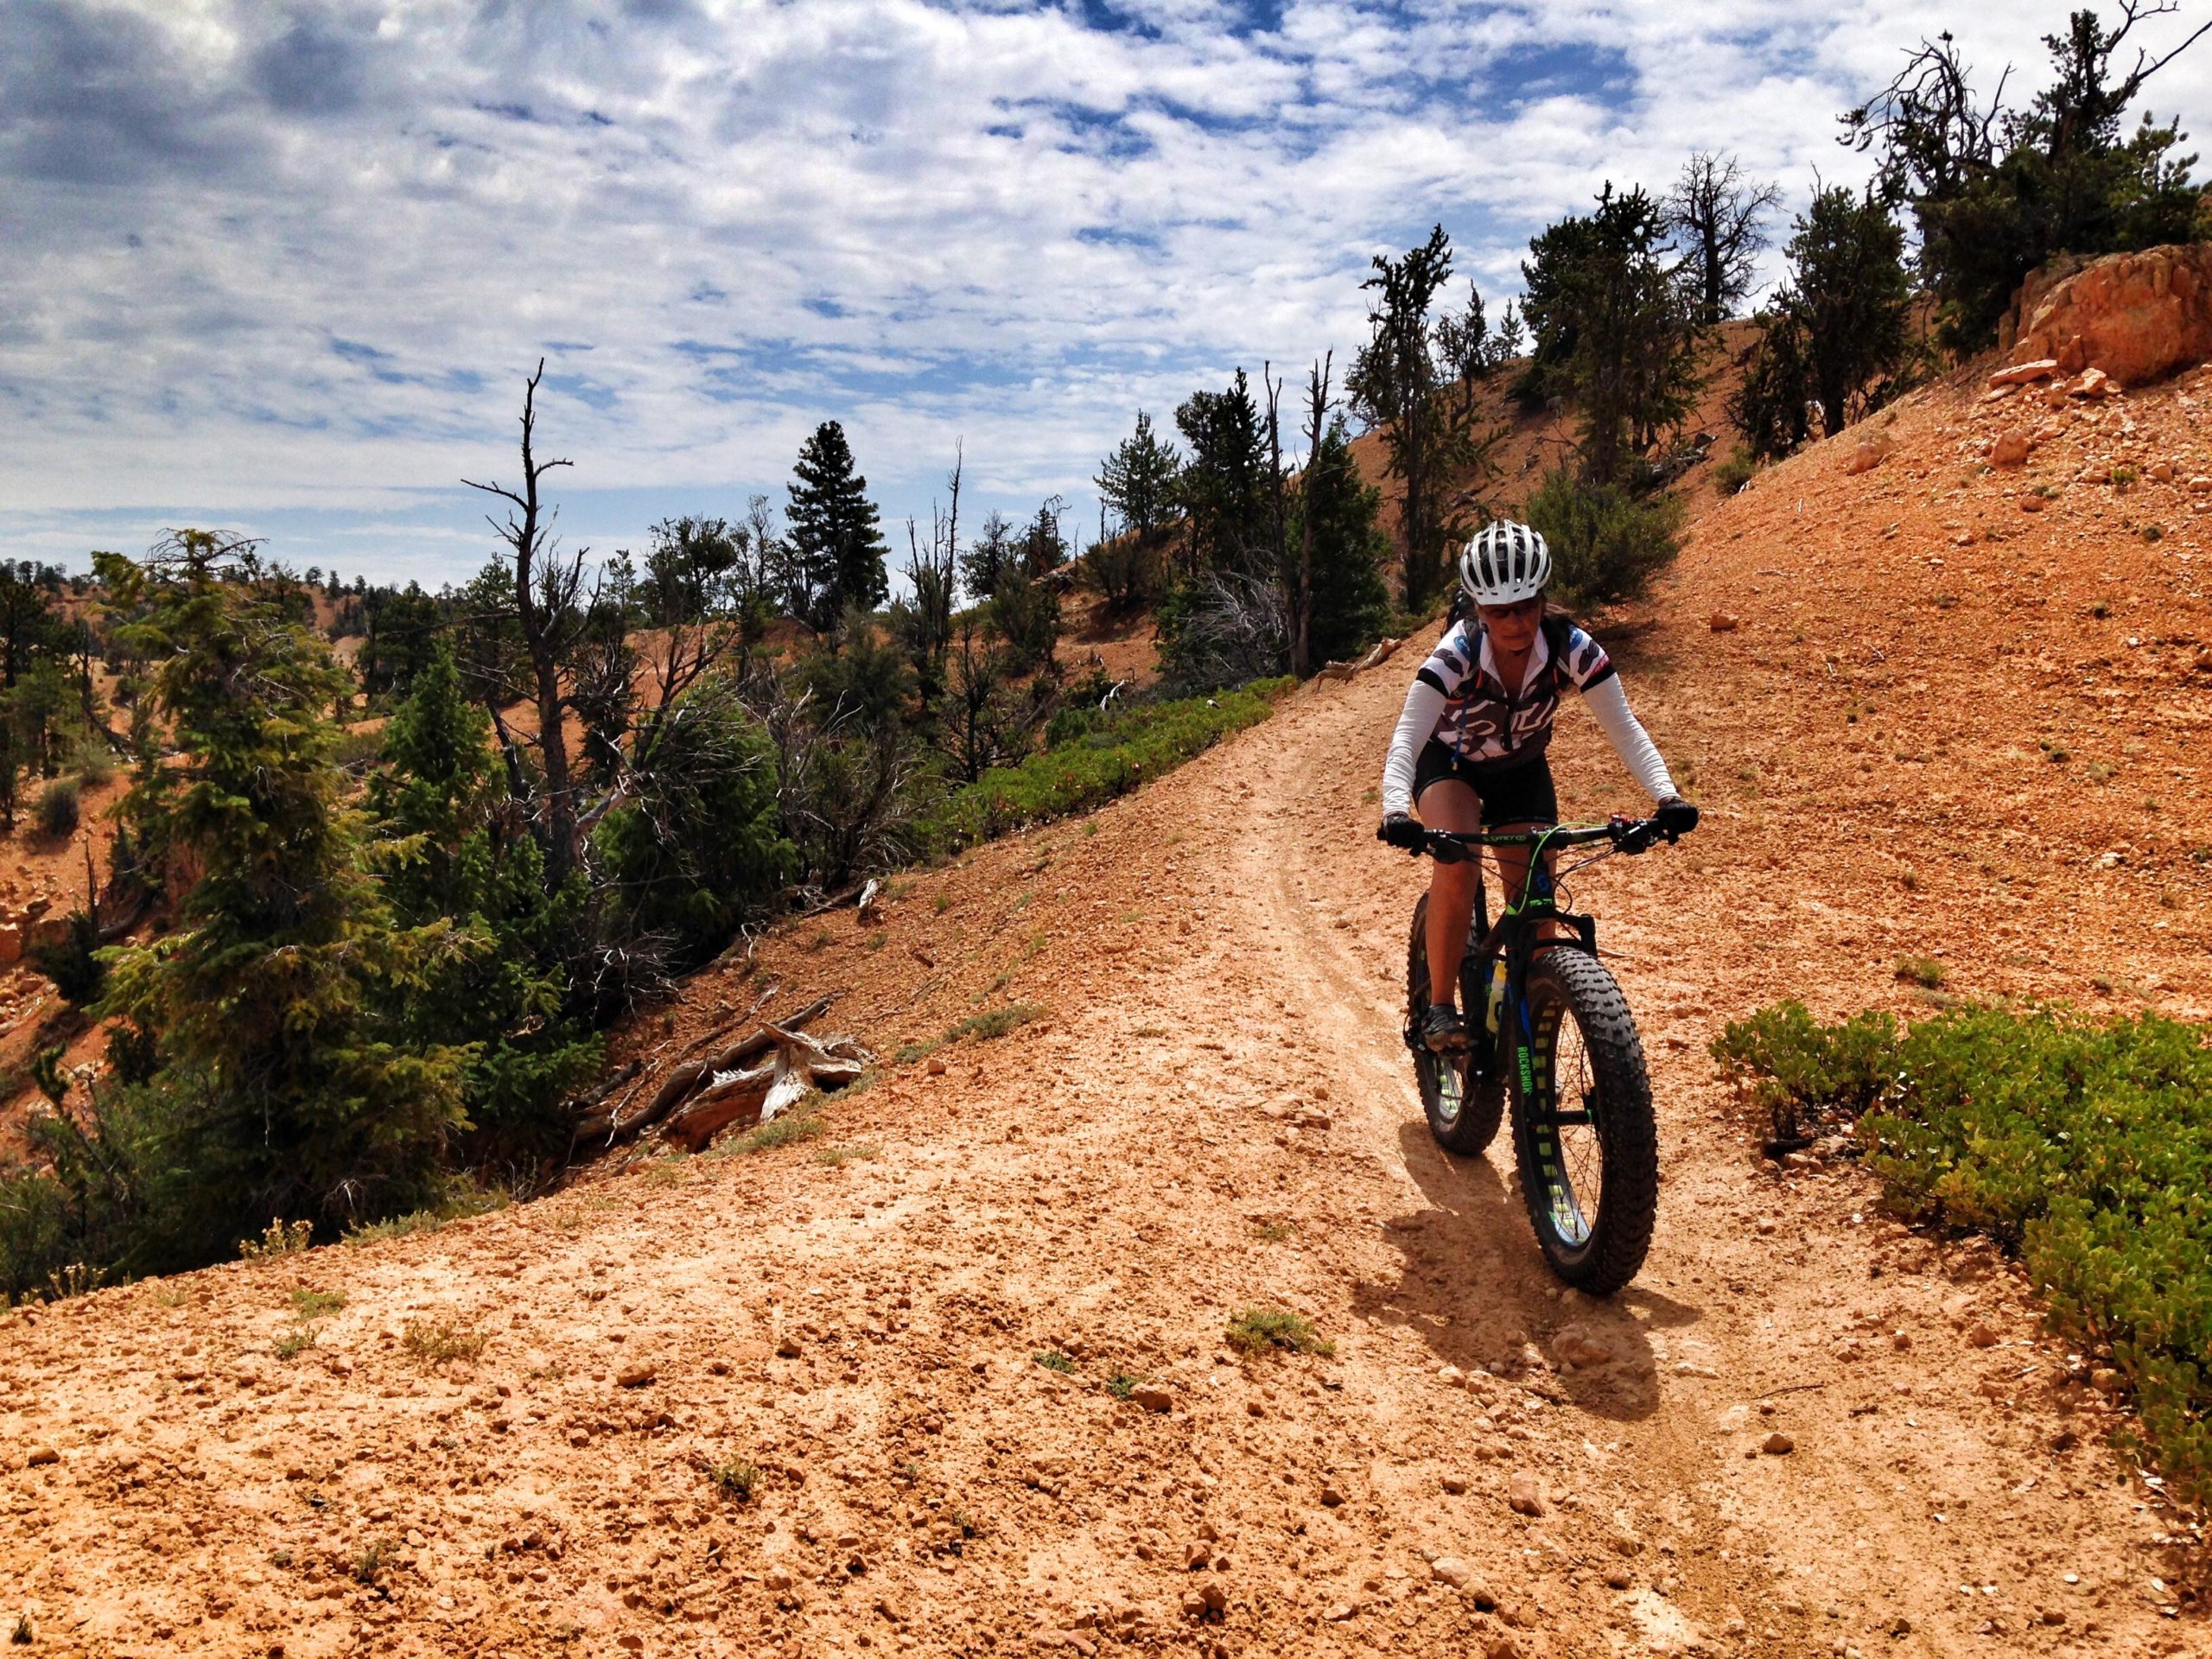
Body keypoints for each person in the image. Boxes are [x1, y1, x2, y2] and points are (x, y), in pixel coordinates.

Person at [1377, 522, 1695, 1052]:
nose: (1517, 621)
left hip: (1521, 767)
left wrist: (1667, 797)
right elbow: (1407, 738)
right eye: (1500, 611)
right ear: (1479, 609)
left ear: (1543, 598)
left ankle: (1531, 1032)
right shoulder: (1455, 655)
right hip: (1449, 764)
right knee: (1456, 866)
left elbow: (1626, 728)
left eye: (1527, 605)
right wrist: (1394, 810)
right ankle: (1438, 1009)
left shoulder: (1572, 648)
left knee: (1537, 909)